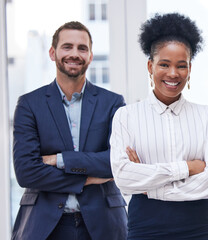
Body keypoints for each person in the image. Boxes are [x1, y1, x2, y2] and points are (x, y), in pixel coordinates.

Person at [110, 13, 208, 240]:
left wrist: (150, 185)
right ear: (150, 66)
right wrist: (188, 168)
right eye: (164, 64)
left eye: (181, 66)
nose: (173, 73)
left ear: (189, 69)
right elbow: (123, 177)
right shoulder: (126, 116)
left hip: (200, 227)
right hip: (146, 227)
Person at [12, 21, 127, 240]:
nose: (74, 54)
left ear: (90, 56)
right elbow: (26, 171)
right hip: (44, 225)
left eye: (82, 48)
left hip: (103, 224)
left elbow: (117, 161)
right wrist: (87, 178)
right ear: (52, 53)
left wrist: (60, 160)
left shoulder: (113, 103)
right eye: (67, 47)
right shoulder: (29, 104)